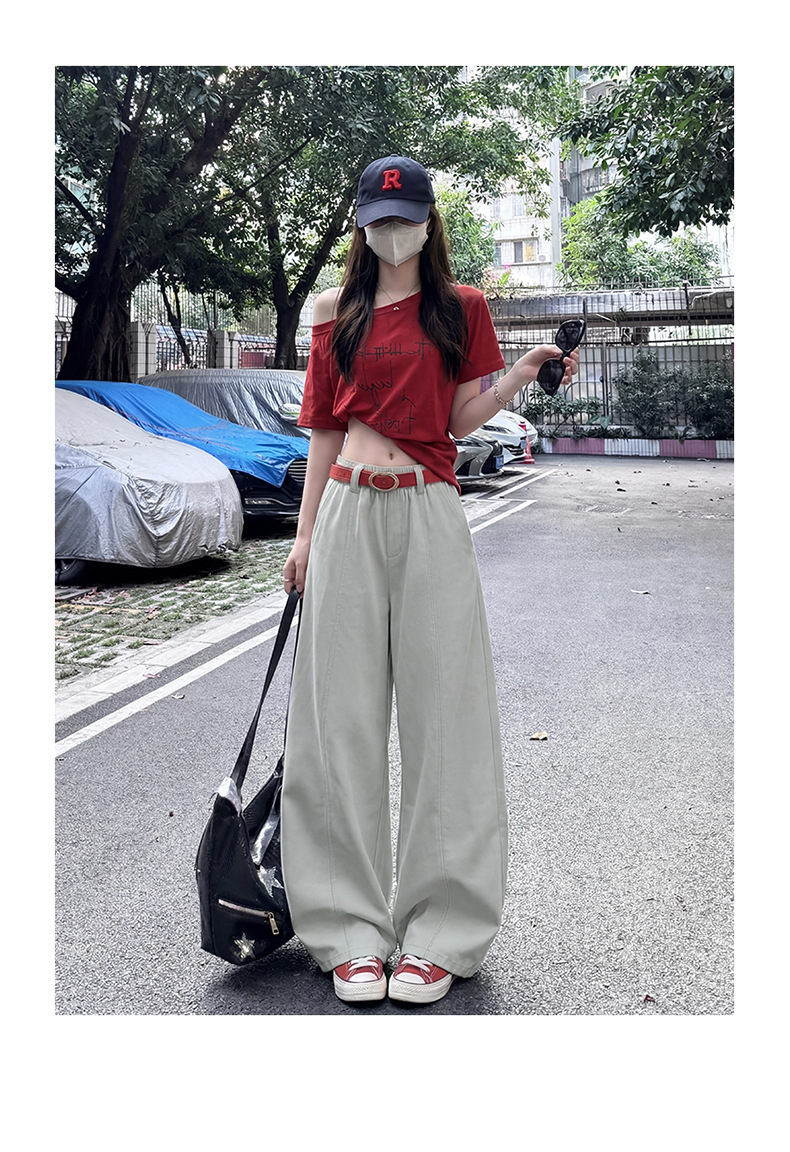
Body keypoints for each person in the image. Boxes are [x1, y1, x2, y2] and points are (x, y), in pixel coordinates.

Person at [281, 155, 578, 1006]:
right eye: (378, 219)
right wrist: (303, 538)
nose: (392, 232)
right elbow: (324, 430)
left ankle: (441, 931)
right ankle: (347, 930)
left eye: (405, 218)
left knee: (447, 716)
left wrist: (518, 374)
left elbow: (455, 418)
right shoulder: (334, 311)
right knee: (336, 721)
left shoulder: (462, 308)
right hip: (347, 508)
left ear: (428, 221)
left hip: (430, 509)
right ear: (361, 224)